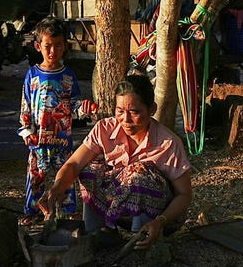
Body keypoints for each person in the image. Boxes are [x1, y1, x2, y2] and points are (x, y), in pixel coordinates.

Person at [39, 74, 192, 251]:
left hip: (161, 216)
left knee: (139, 174)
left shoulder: (168, 143)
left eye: (134, 112)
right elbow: (73, 164)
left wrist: (160, 221)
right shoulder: (104, 129)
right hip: (119, 208)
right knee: (90, 168)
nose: (125, 120)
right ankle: (99, 232)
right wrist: (58, 186)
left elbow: (184, 195)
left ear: (152, 109)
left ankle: (142, 239)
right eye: (120, 111)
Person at [18, 17, 95, 225]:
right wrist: (26, 131)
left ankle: (69, 212)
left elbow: (74, 105)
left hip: (62, 139)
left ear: (65, 47)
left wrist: (84, 109)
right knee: (36, 176)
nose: (52, 51)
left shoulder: (69, 76)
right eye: (47, 46)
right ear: (38, 46)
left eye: (58, 45)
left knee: (66, 176)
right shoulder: (32, 75)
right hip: (38, 140)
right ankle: (32, 211)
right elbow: (26, 105)